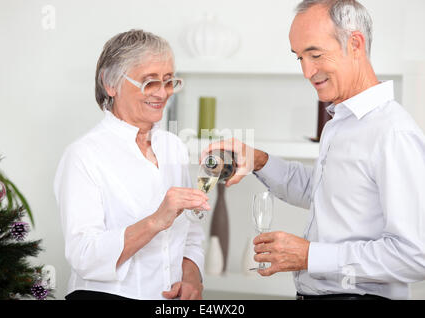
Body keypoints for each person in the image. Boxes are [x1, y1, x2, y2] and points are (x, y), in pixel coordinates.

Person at [203, 0, 425, 300]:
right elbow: (324, 192)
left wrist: (310, 256)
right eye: (299, 58)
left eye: (315, 55)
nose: (307, 71)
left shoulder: (392, 133)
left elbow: (414, 256)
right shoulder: (341, 122)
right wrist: (258, 160)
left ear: (355, 43)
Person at [54, 29, 209, 300]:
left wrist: (192, 277)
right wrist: (155, 222)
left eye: (169, 81)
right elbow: (84, 255)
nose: (162, 93)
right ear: (110, 83)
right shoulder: (83, 155)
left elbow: (191, 229)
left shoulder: (173, 147)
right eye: (149, 83)